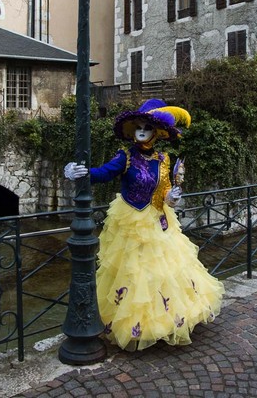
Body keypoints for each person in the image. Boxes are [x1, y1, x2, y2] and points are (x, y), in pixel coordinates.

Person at [64, 98, 224, 351]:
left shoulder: (163, 160)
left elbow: (166, 191)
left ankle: (165, 323)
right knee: (133, 274)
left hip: (159, 220)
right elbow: (104, 173)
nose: (141, 130)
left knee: (164, 273)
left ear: (157, 133)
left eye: (147, 127)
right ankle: (135, 326)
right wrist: (80, 173)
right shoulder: (125, 156)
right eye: (138, 126)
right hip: (131, 222)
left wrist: (172, 198)